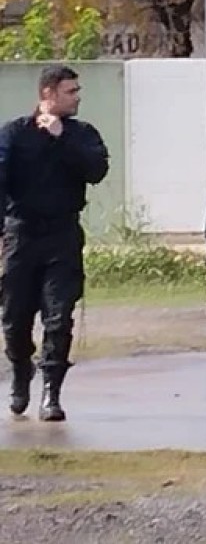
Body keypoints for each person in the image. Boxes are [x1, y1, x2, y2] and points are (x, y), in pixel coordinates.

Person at [0, 65, 110, 421]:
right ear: (48, 93)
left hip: (62, 235)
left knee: (58, 316)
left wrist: (63, 138)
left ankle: (52, 390)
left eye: (77, 91)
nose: (77, 97)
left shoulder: (81, 134)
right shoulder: (15, 133)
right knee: (14, 318)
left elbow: (96, 171)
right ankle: (21, 369)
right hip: (21, 234)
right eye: (70, 91)